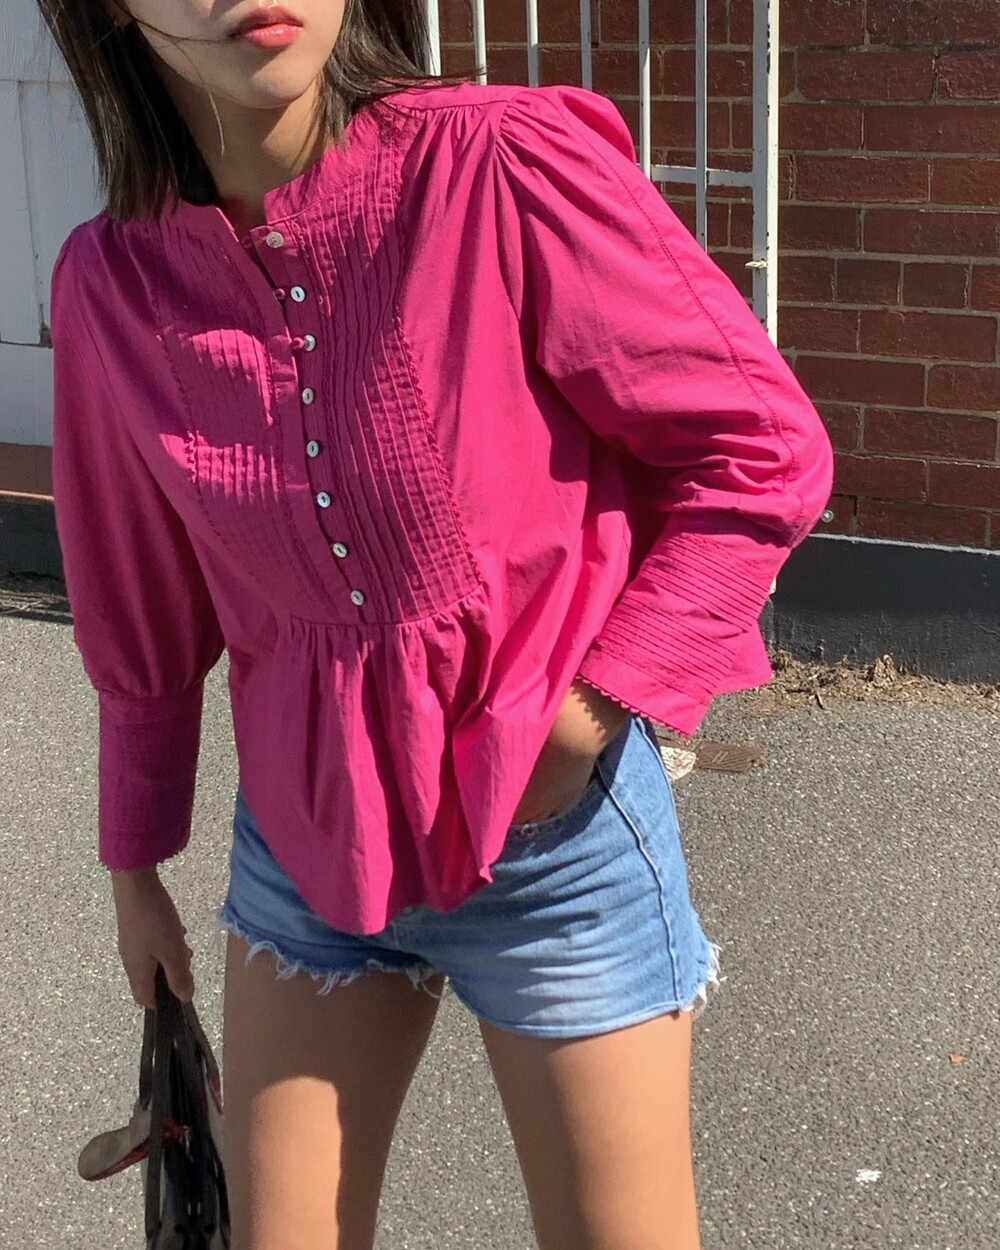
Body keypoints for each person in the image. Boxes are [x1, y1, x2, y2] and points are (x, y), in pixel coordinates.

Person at [39, 1, 833, 1247]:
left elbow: (761, 448)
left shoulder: (501, 167)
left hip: (555, 846)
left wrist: (592, 709)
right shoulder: (113, 284)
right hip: (306, 846)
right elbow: (135, 603)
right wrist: (134, 874)